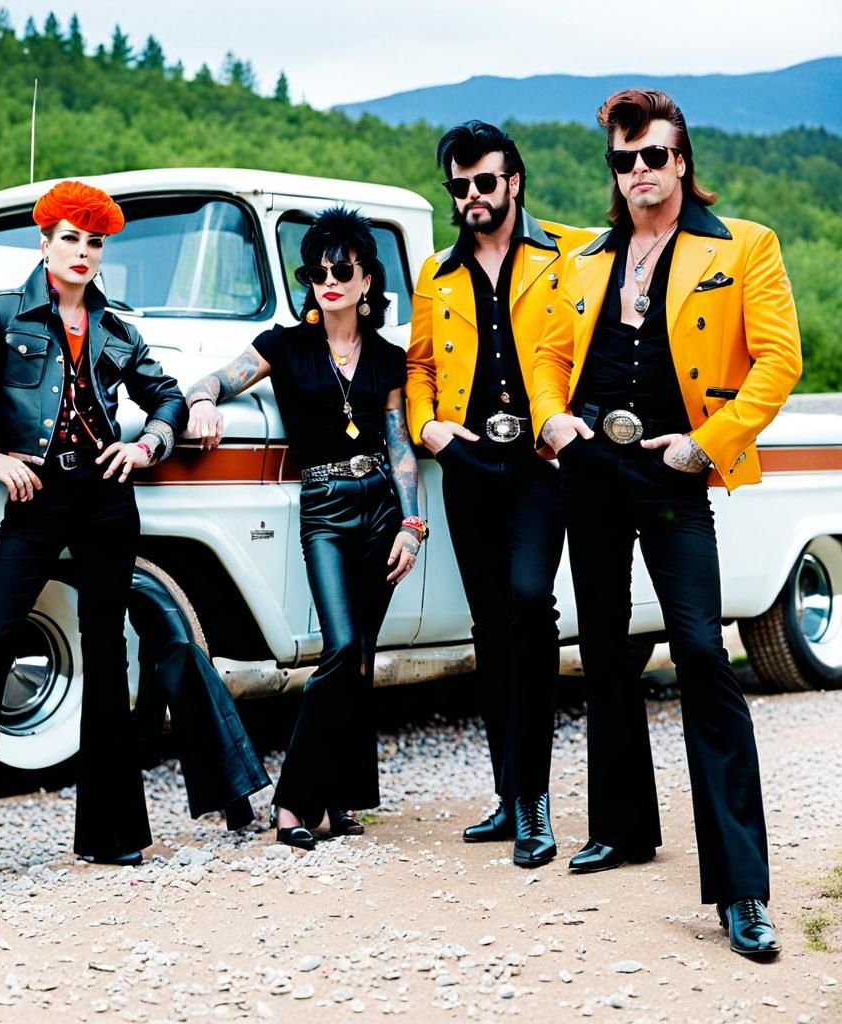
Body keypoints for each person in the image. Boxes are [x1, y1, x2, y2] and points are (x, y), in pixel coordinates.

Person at [532, 89, 801, 958]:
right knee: (603, 647)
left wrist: (709, 443)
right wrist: (551, 419)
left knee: (699, 653)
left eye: (655, 155)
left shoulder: (744, 245)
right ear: (612, 167)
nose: (641, 171)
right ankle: (622, 827)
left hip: (676, 468)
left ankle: (741, 890)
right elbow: (547, 352)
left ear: (682, 158)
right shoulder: (584, 254)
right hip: (592, 467)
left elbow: (779, 359)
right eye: (625, 159)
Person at [0, 180, 188, 897]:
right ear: (45, 243)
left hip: (107, 499)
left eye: (95, 241)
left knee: (109, 652)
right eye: (71, 239)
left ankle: (110, 835)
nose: (83, 253)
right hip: (38, 498)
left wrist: (147, 446)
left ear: (103, 252)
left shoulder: (117, 328)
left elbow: (164, 395)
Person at [184, 207, 425, 851]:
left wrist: (412, 525)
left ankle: (340, 800)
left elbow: (400, 446)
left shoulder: (387, 359)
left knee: (362, 660)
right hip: (323, 504)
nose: (328, 280)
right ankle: (294, 799)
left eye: (342, 269)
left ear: (368, 279)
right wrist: (204, 401)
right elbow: (213, 381)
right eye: (317, 270)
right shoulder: (283, 345)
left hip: (380, 504)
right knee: (342, 647)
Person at [407, 121, 593, 867]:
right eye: (460, 186)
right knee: (488, 629)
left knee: (527, 604)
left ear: (514, 180)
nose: (473, 196)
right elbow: (419, 368)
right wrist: (431, 432)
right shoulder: (437, 273)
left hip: (541, 466)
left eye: (485, 181)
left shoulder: (567, 256)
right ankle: (508, 796)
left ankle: (539, 802)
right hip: (468, 467)